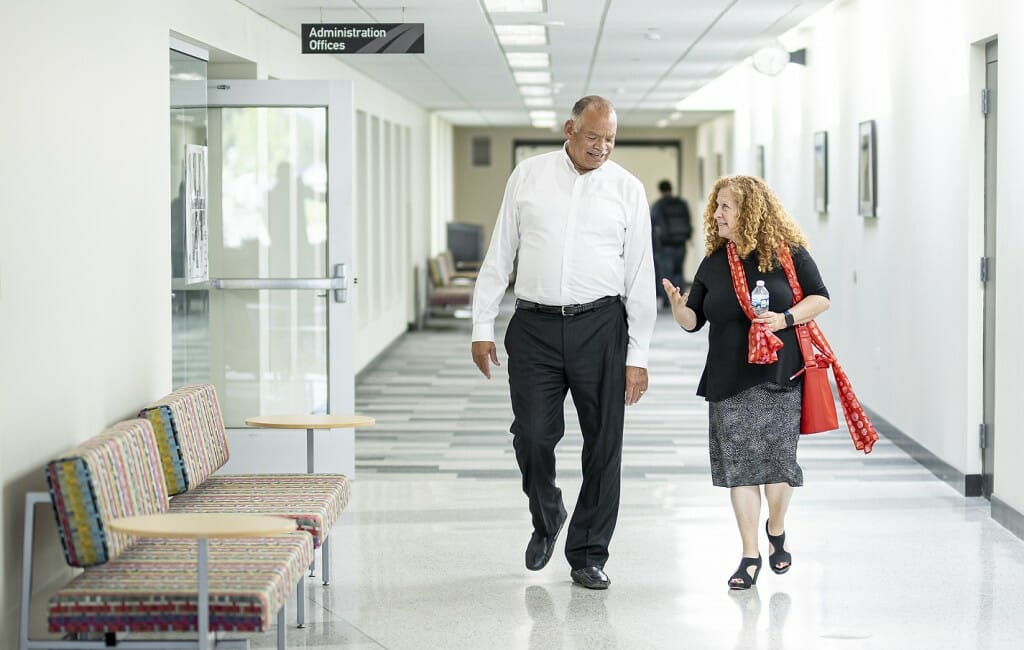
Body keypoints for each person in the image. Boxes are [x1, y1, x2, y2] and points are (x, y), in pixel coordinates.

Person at [471, 96, 656, 590]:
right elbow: (500, 253)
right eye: (593, 137)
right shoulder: (528, 176)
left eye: (610, 139)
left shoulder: (627, 189)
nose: (602, 147)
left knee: (603, 446)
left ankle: (588, 553)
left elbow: (640, 274)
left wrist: (637, 355)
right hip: (533, 327)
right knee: (532, 436)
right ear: (569, 129)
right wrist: (481, 325)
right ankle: (548, 513)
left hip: (602, 327)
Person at [661, 175, 830, 590]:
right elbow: (693, 322)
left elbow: (820, 297)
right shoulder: (713, 263)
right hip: (728, 378)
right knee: (740, 471)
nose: (716, 214)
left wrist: (785, 318)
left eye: (725, 207)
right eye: (716, 206)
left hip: (778, 377)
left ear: (750, 212)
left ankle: (777, 528)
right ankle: (749, 554)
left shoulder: (788, 256)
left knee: (778, 469)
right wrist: (679, 307)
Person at [650, 179, 692, 303]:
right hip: (681, 243)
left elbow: (652, 225)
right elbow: (688, 221)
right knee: (678, 271)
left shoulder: (658, 205)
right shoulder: (681, 204)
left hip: (665, 245)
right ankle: (680, 298)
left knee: (666, 273)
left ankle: (668, 300)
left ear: (660, 190)